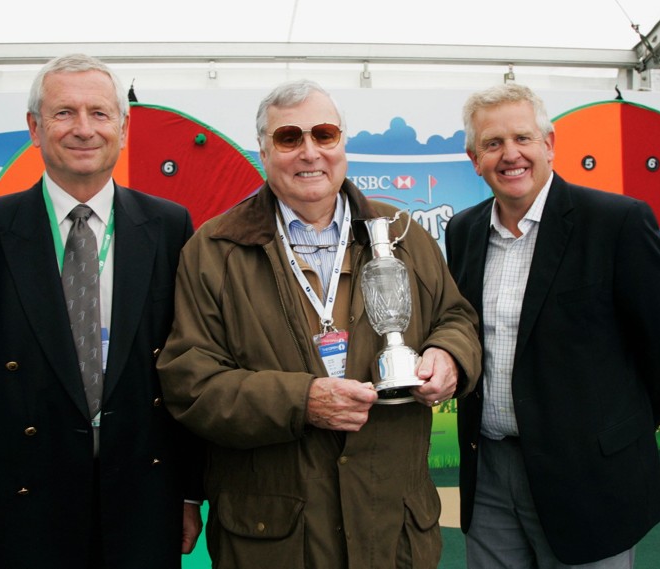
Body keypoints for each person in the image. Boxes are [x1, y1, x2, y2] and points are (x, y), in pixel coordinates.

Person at [156, 79, 482, 569]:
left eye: (323, 135)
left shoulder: (404, 235)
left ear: (342, 145)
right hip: (274, 539)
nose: (309, 152)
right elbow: (191, 383)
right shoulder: (213, 250)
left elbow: (455, 317)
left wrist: (450, 356)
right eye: (289, 138)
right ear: (264, 153)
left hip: (392, 531)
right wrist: (300, 401)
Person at [0, 53, 203, 569]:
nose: (84, 129)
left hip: (142, 497)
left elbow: (188, 370)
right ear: (35, 128)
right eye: (64, 113)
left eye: (100, 114)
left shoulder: (169, 226)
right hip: (26, 500)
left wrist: (189, 494)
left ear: (123, 128)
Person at [445, 83, 660, 568]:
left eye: (523, 138)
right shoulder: (463, 231)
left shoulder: (617, 223)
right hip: (490, 472)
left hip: (590, 477)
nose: (510, 154)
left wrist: (619, 431)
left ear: (550, 144)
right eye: (493, 144)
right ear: (475, 159)